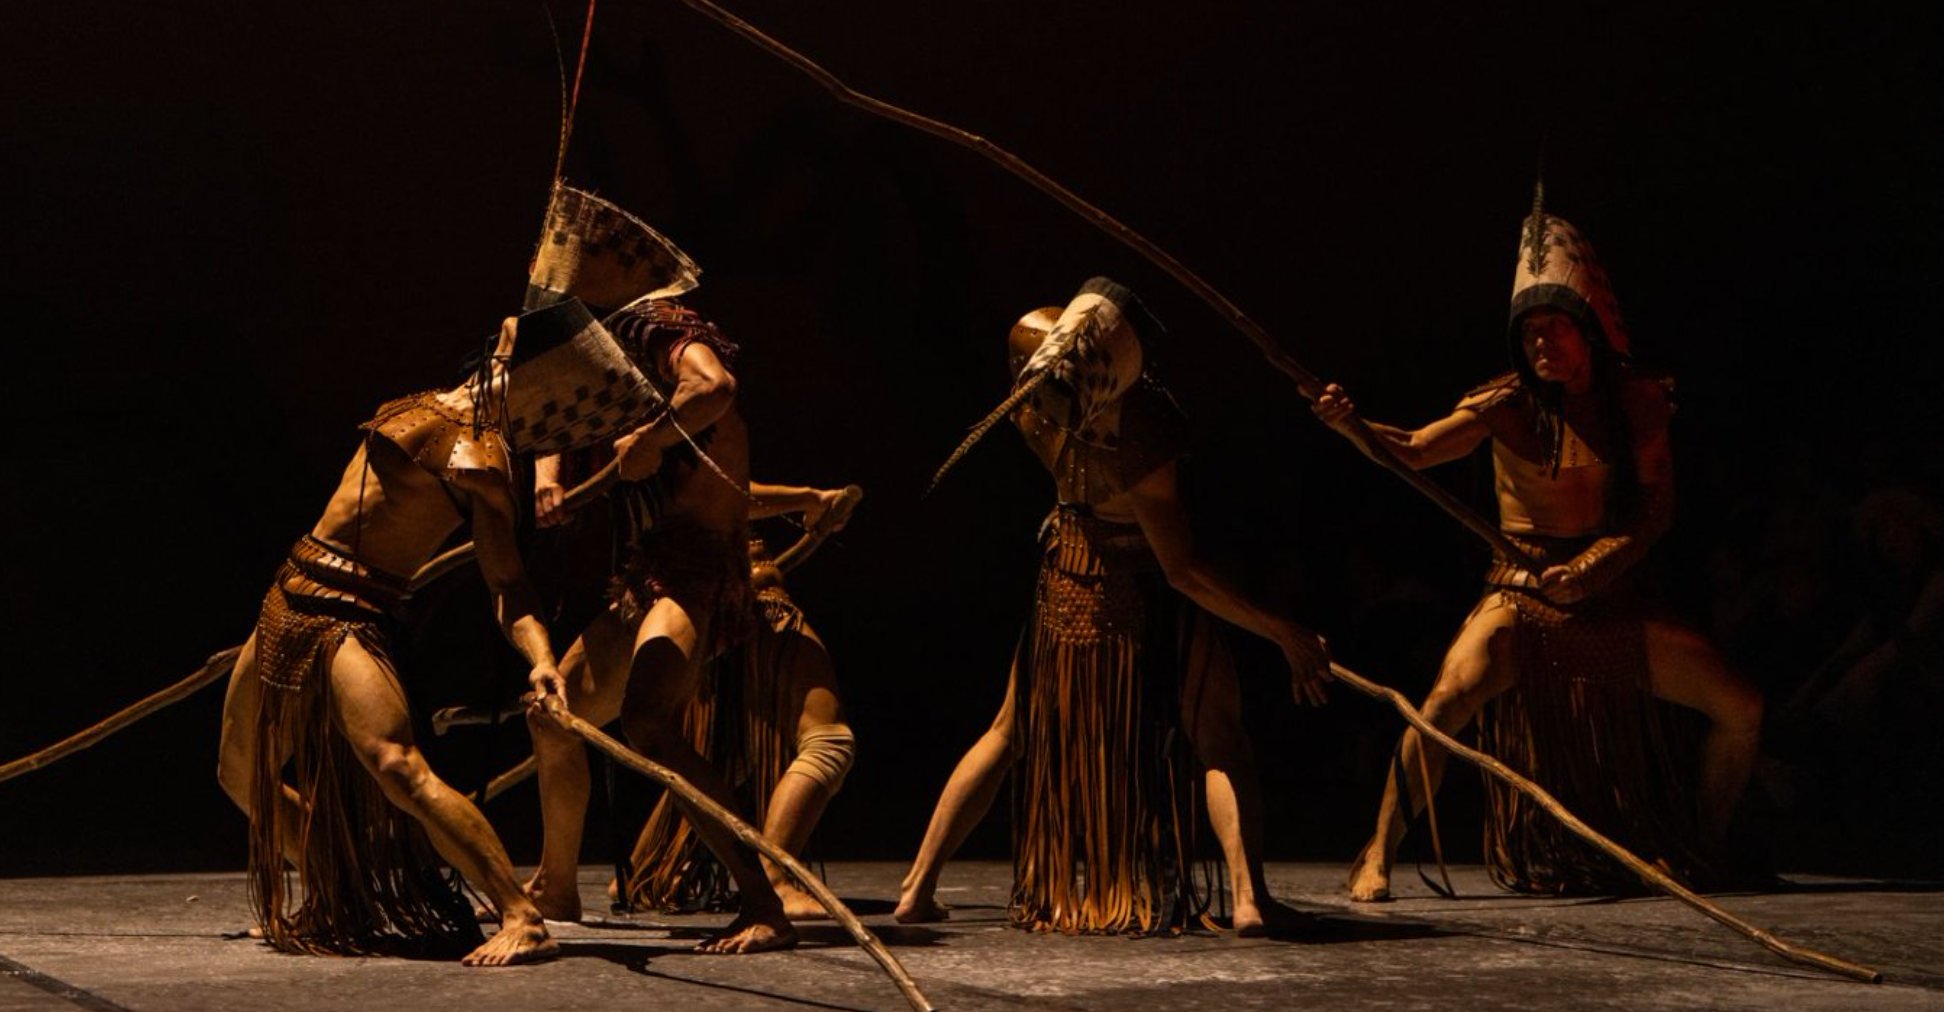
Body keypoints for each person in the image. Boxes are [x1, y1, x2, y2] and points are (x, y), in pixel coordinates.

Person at [1312, 203, 1764, 901]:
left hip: (1611, 589)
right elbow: (1412, 450)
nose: (1541, 341)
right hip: (1521, 589)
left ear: (1588, 331)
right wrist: (1351, 425)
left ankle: (1698, 853)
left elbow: (1654, 512)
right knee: (1444, 703)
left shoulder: (1637, 401)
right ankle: (1378, 850)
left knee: (1741, 707)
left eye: (1555, 326)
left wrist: (1591, 568)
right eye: (1529, 332)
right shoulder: (1504, 404)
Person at [215, 297, 662, 964]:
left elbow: (508, 586)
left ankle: (521, 914)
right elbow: (523, 320)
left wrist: (541, 660)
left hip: (349, 615)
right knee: (238, 769)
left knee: (397, 766)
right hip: (288, 595)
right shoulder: (434, 400)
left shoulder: (483, 466)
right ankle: (341, 890)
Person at [894, 278, 1331, 936]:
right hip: (1143, 591)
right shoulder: (1140, 430)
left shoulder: (1029, 410)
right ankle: (1248, 898)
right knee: (1219, 737)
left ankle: (917, 886)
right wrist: (1282, 632)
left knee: (1008, 733)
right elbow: (1181, 571)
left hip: (1064, 579)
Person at [518, 292, 803, 953]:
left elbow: (714, 386)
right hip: (647, 574)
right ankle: (557, 885)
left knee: (649, 722)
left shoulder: (658, 326)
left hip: (697, 569)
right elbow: (552, 414)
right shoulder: (600, 357)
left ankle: (763, 904)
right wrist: (547, 474)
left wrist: (650, 440)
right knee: (553, 715)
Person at [620, 498, 859, 920]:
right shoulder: (694, 459)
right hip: (728, 597)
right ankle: (773, 879)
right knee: (829, 740)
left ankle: (656, 865)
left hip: (687, 600)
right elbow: (730, 491)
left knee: (716, 754)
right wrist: (809, 497)